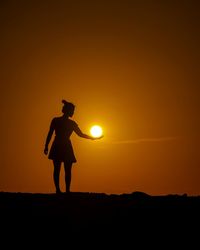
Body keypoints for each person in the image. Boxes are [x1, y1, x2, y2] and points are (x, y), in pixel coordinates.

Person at [44, 100, 102, 194]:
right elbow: (80, 134)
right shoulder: (67, 122)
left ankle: (61, 190)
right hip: (63, 145)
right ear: (68, 111)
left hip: (59, 145)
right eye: (72, 110)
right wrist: (93, 138)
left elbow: (80, 134)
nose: (73, 112)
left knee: (59, 169)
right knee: (64, 169)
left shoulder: (60, 121)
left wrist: (46, 146)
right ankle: (63, 190)